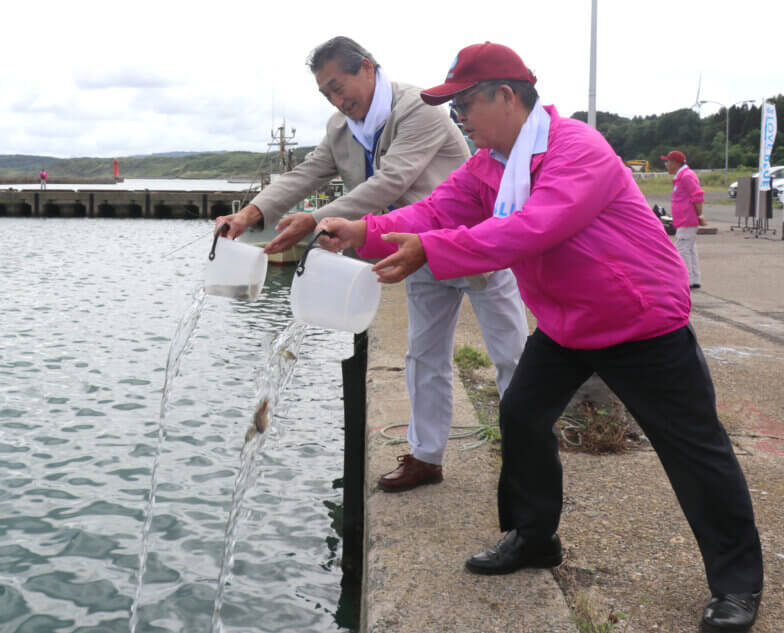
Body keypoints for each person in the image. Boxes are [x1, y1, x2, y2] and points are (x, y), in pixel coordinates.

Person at [316, 42, 764, 633]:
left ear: (506, 95)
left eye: (465, 106)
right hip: (566, 325)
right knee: (523, 414)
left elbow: (531, 228)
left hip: (640, 321)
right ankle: (532, 536)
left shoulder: (577, 149)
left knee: (693, 449)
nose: (460, 121)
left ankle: (736, 585)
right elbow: (436, 210)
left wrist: (432, 249)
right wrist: (362, 230)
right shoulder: (489, 164)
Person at [216, 36, 528, 492]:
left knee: (510, 355)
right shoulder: (341, 128)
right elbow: (306, 173)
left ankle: (526, 454)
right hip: (412, 251)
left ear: (366, 68)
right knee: (423, 356)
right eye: (325, 93)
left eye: (340, 87)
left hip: (471, 244)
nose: (337, 100)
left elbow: (390, 181)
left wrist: (316, 221)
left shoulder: (418, 108)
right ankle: (427, 457)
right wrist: (250, 214)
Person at [662, 149, 706, 289]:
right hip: (684, 219)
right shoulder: (682, 176)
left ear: (675, 163)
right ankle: (693, 279)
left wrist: (699, 215)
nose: (666, 165)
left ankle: (685, 280)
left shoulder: (686, 176)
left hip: (687, 219)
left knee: (682, 249)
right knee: (689, 248)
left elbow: (697, 195)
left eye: (668, 162)